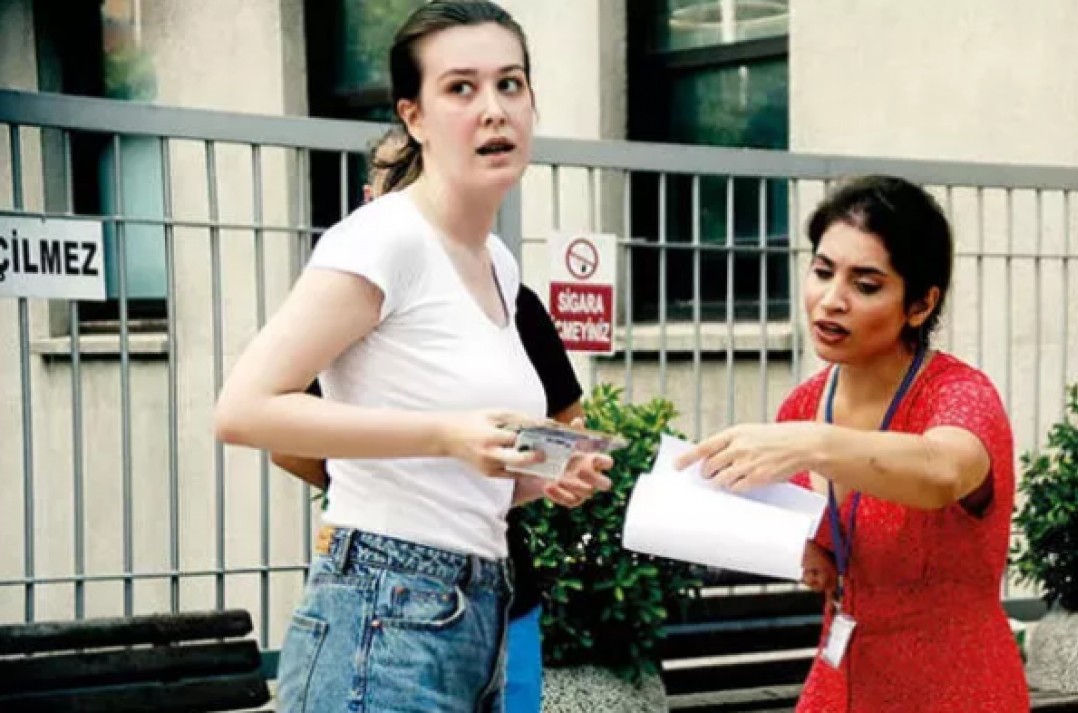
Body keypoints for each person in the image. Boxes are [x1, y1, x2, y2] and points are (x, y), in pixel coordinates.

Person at [214, 3, 611, 711]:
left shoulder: (496, 261)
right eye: (461, 88)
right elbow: (243, 411)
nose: (494, 110)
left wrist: (546, 472)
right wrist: (446, 433)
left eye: (510, 84)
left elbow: (456, 475)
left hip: (479, 605)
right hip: (383, 609)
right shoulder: (381, 238)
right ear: (415, 117)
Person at [676, 175, 1029, 712]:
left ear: (920, 304)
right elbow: (829, 537)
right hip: (839, 679)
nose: (831, 300)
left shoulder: (958, 394)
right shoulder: (802, 406)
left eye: (865, 285)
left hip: (954, 688)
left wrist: (813, 444)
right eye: (822, 272)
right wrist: (806, 547)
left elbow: (942, 471)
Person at [271, 126, 579, 713]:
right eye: (399, 176)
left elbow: (562, 428)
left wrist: (545, 469)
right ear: (371, 197)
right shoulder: (359, 282)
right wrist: (398, 474)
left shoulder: (506, 288)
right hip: (392, 587)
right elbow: (271, 427)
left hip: (494, 587)